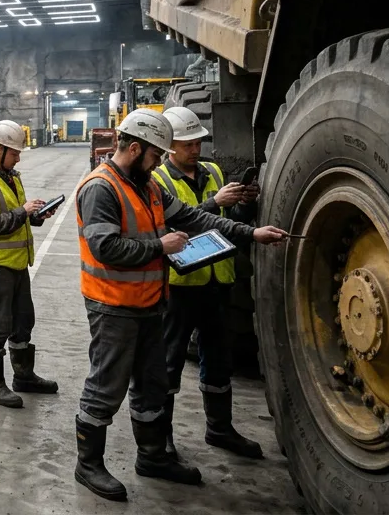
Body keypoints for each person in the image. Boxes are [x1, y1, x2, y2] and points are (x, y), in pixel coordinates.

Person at [72, 109, 287, 502]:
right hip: (113, 308)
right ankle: (88, 464)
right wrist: (161, 246)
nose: (159, 163)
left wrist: (251, 233)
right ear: (134, 149)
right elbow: (105, 248)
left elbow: (194, 218)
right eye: (156, 155)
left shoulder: (148, 186)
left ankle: (152, 456)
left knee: (152, 386)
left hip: (150, 305)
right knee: (106, 387)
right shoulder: (101, 188)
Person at [153, 107, 263, 460]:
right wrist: (214, 203)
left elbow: (231, 220)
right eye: (187, 144)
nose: (195, 149)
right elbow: (173, 230)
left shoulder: (213, 171)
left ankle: (220, 428)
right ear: (169, 146)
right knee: (168, 363)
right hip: (180, 288)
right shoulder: (158, 182)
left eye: (198, 142)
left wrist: (244, 204)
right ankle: (161, 437)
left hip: (218, 282)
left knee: (219, 360)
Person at [0, 119, 59, 409]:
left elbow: (15, 217)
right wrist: (23, 212)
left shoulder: (11, 177)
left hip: (17, 265)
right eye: (15, 153)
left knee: (22, 322)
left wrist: (35, 215)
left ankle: (23, 376)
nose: (18, 158)